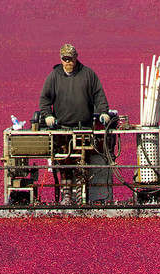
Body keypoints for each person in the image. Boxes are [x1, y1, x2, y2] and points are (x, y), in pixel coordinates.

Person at [39, 45, 111, 204]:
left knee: (81, 162)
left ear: (76, 57)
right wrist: (48, 115)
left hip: (83, 127)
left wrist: (104, 112)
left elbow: (98, 94)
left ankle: (81, 196)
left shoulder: (88, 74)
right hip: (62, 129)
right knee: (65, 162)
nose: (67, 62)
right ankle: (66, 196)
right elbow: (44, 100)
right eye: (64, 59)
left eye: (70, 58)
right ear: (60, 59)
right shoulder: (54, 77)